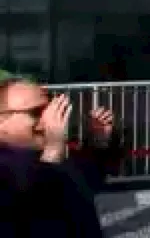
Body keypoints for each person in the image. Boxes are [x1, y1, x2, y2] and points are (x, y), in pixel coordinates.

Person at [0, 77, 122, 237]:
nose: (48, 120)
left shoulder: (54, 152)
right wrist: (52, 154)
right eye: (36, 112)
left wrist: (99, 141)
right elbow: (33, 217)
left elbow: (89, 178)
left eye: (50, 108)